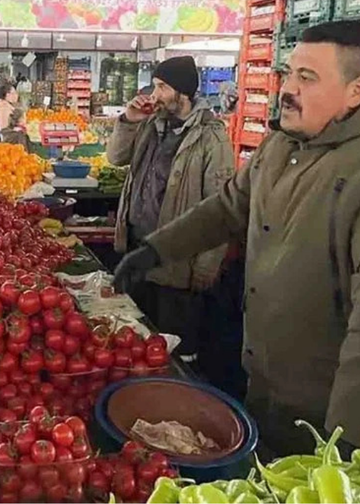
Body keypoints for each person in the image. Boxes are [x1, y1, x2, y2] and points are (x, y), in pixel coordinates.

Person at [113, 21, 360, 457]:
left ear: (357, 90)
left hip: (345, 415)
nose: (288, 88)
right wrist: (155, 250)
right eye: (288, 72)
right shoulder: (286, 143)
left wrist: (353, 455)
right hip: (271, 383)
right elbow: (228, 207)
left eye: (308, 77)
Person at [107, 55, 235, 367]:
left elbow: (221, 205)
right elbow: (115, 157)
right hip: (139, 250)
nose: (154, 94)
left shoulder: (210, 137)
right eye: (155, 86)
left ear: (183, 92)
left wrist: (206, 267)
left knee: (173, 353)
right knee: (136, 342)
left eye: (162, 87)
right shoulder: (151, 124)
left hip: (178, 264)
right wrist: (129, 119)